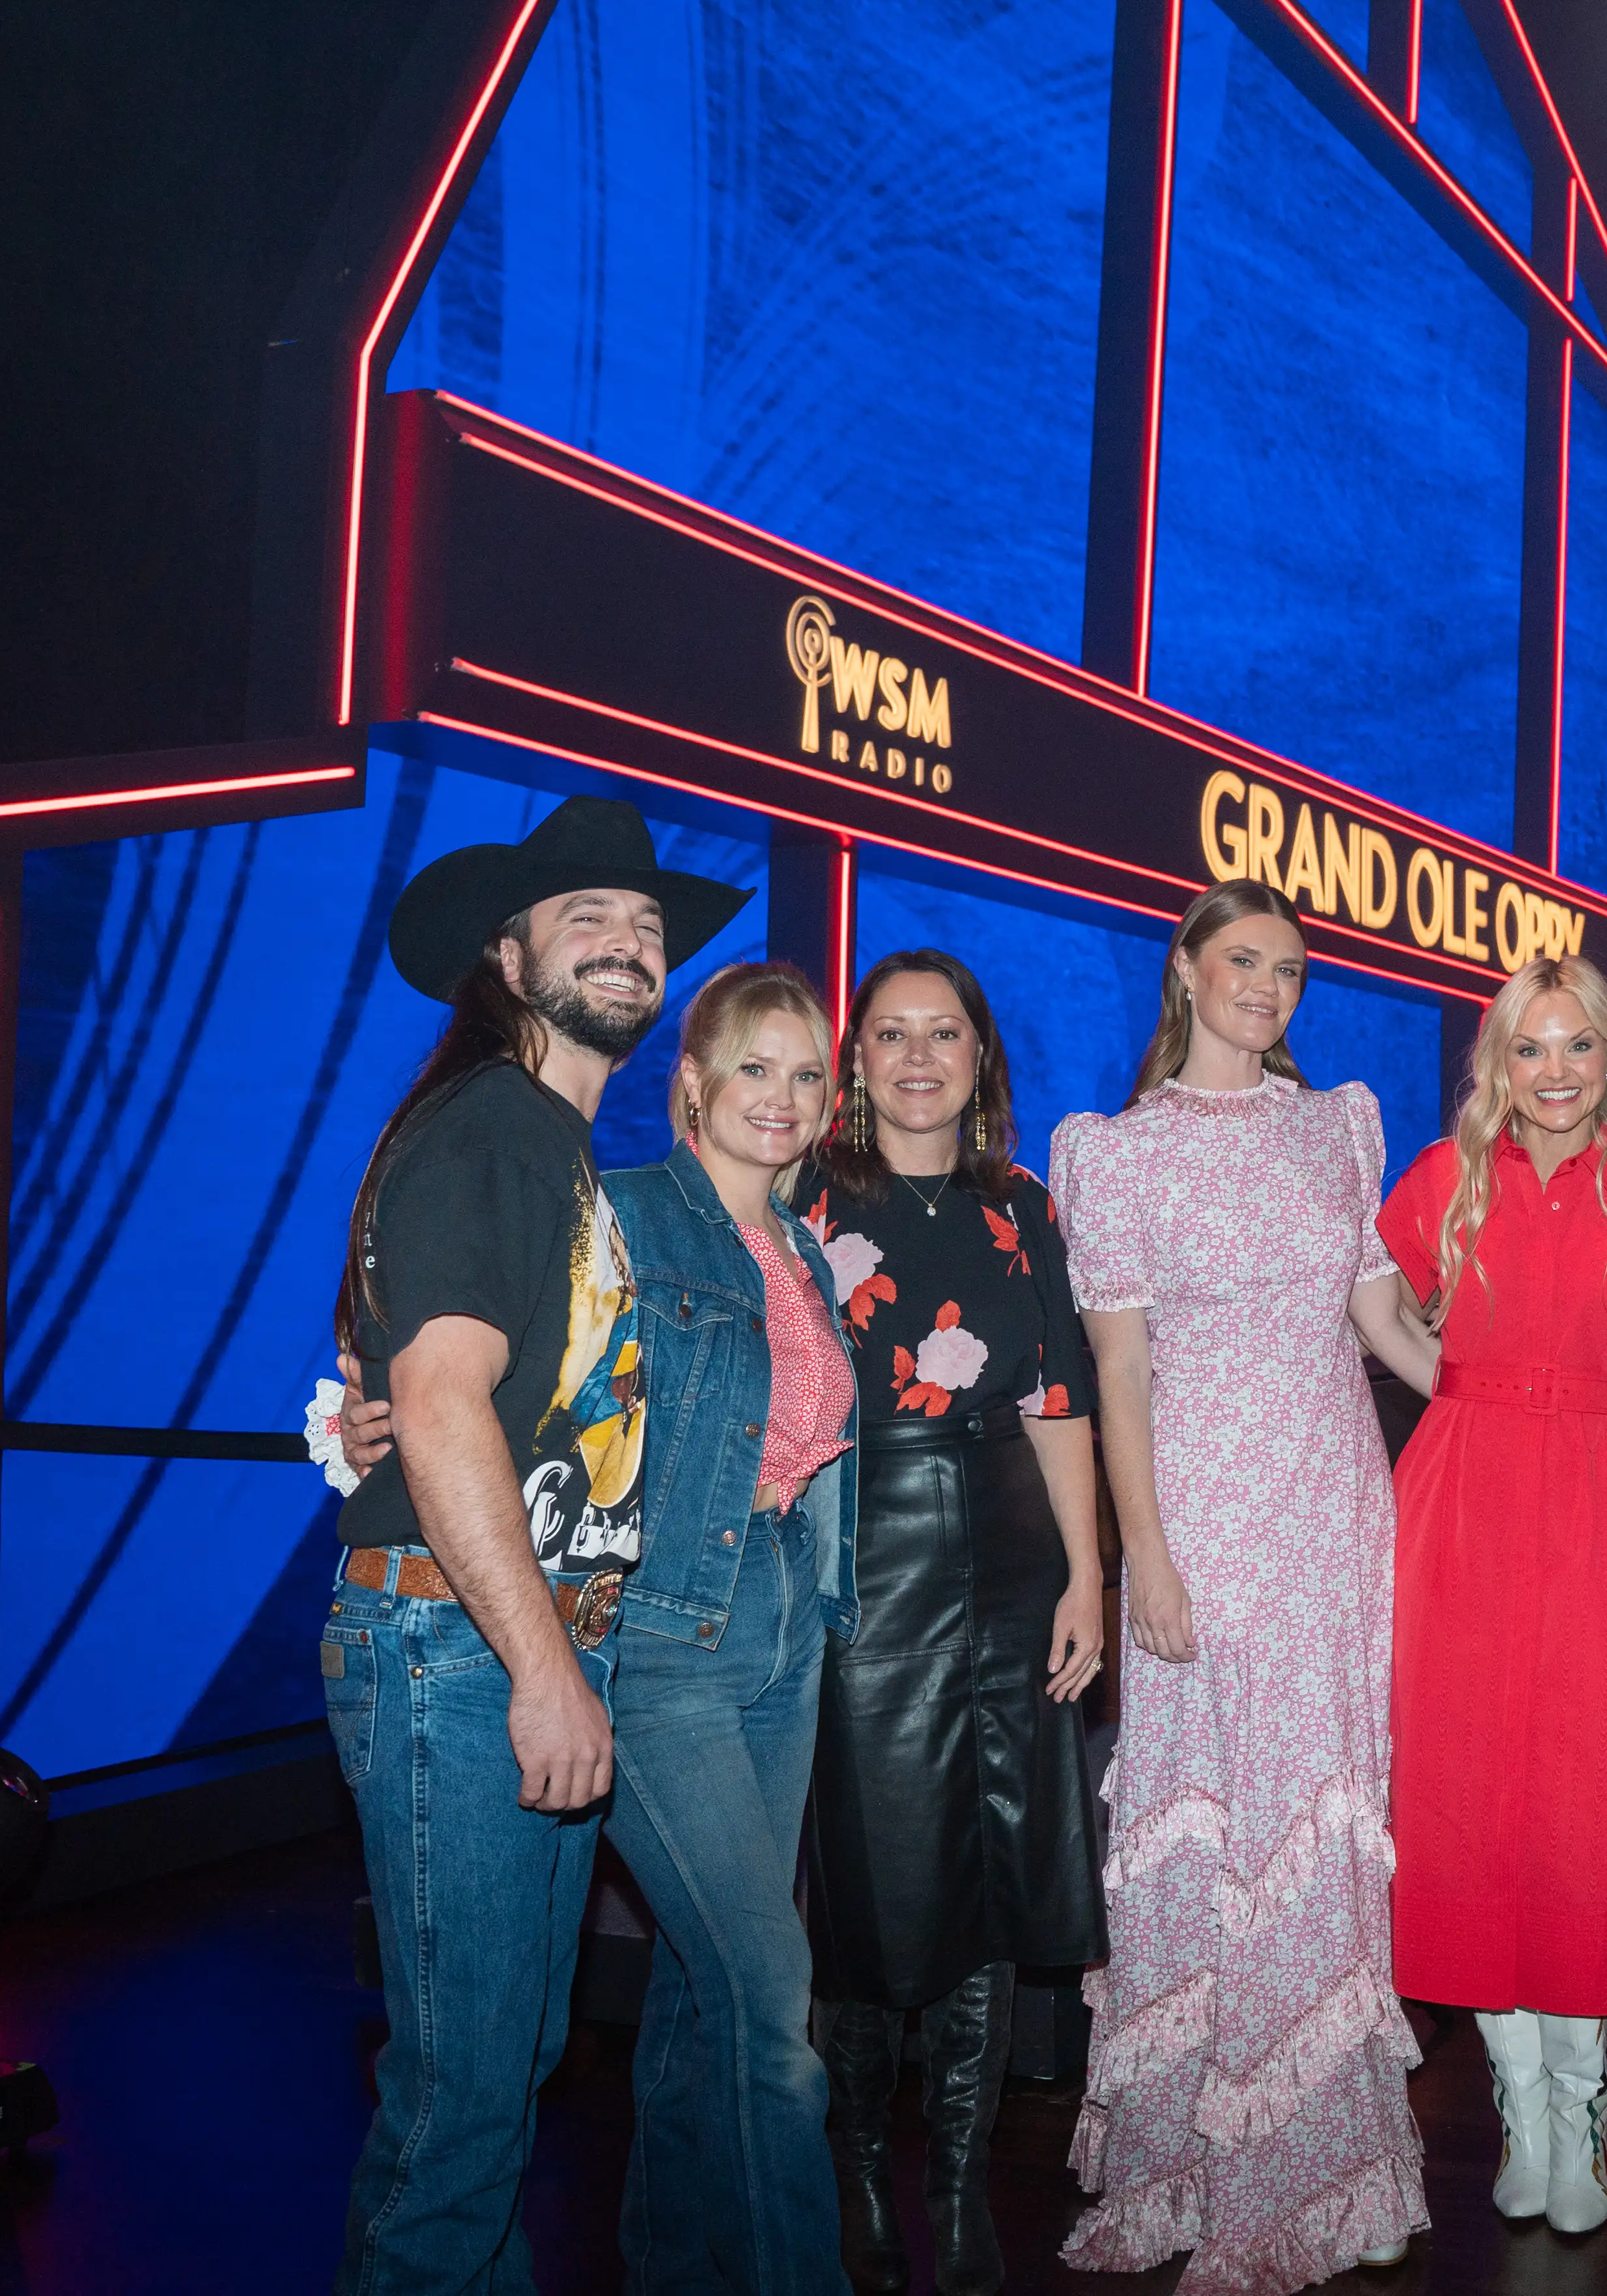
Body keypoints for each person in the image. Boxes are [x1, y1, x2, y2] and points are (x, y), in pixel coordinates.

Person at [321, 795, 749, 2293]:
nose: (630, 943)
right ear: (508, 957)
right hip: (465, 1647)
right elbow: (439, 1402)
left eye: (646, 927)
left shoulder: (542, 1143)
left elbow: (448, 1395)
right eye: (588, 918)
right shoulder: (498, 1128)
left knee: (501, 2072)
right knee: (459, 2110)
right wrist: (547, 1662)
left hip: (484, 1633)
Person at [1047, 882, 1442, 2296]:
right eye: (1242, 962)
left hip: (1337, 1516)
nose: (1267, 987)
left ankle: (1342, 2165)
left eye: (1288, 967)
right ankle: (1197, 2170)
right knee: (1213, 1823)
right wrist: (1139, 1548)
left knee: (1328, 1816)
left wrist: (1517, 1395)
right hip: (1202, 1529)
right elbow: (1119, 1373)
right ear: (1187, 970)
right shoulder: (1113, 1153)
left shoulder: (1339, 1121)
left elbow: (1381, 1316)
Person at [1373, 956, 1607, 2238]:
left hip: (1604, 1508)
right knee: (1469, 1805)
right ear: (1498, 1064)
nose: (1553, 1072)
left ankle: (1582, 2104)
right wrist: (1453, 1387)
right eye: (1528, 1049)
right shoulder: (1440, 1183)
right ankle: (1518, 2105)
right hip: (1463, 1506)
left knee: (1586, 1807)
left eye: (1576, 1046)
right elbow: (1361, 1299)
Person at [803, 950, 1106, 2296]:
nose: (918, 1055)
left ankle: (961, 2176)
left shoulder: (1024, 1203)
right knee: (878, 1886)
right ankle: (864, 2166)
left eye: (945, 1034)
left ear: (982, 1058)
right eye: (891, 1034)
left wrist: (1088, 1575)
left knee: (992, 1877)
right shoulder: (803, 1198)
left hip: (1015, 1560)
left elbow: (1057, 1395)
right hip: (861, 1554)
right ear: (855, 1060)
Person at [595, 962, 863, 2294]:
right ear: (691, 1080)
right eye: (756, 1063)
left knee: (706, 1988)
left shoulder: (804, 1245)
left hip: (783, 1619)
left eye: (809, 1071)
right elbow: (513, 1371)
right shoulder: (630, 1213)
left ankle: (672, 2269)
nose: (786, 1094)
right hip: (665, 1634)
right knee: (769, 1997)